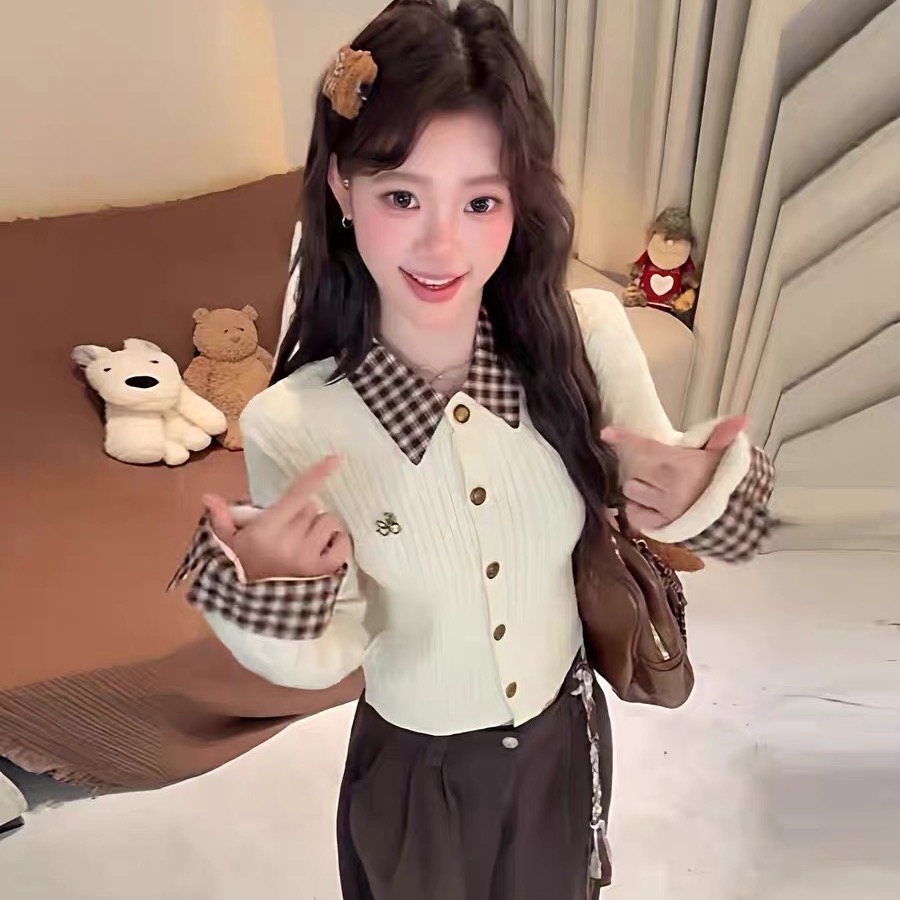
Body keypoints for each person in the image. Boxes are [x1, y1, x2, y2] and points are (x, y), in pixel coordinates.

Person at [169, 2, 775, 897]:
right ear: (342, 189)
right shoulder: (290, 424)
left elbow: (742, 529)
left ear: (518, 201)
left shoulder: (586, 338)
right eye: (401, 196)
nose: (442, 244)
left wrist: (701, 493)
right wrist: (270, 589)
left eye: (481, 200)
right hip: (417, 776)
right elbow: (330, 656)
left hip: (566, 742)